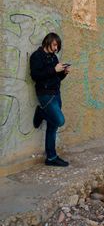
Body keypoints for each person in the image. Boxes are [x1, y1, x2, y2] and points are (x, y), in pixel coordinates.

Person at [30, 32, 71, 167]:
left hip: (56, 93)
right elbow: (35, 76)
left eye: (57, 46)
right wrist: (54, 69)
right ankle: (41, 112)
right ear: (48, 42)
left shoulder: (54, 57)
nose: (55, 48)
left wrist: (63, 73)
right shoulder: (37, 56)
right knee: (59, 120)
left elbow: (56, 78)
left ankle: (51, 158)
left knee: (52, 126)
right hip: (45, 94)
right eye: (54, 45)